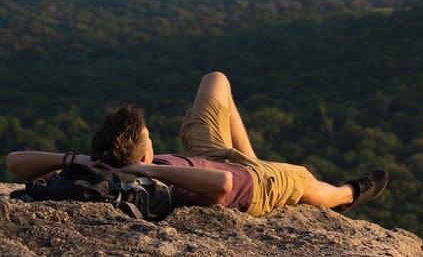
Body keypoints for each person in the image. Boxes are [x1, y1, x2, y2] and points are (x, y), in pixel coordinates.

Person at [5, 71, 388, 216]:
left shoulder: (106, 164)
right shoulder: (145, 176)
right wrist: (147, 169)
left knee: (216, 80)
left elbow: (13, 162)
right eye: (149, 141)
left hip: (209, 155)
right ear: (141, 155)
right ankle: (348, 195)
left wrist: (76, 157)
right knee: (304, 181)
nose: (153, 142)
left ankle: (256, 158)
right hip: (248, 186)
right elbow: (222, 186)